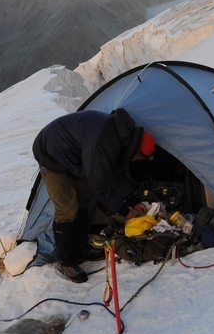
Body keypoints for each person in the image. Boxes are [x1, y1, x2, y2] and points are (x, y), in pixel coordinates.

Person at [32, 108, 156, 282]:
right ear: (136, 149)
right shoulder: (104, 143)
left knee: (84, 198)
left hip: (74, 156)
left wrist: (133, 201)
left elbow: (116, 174)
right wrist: (122, 210)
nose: (137, 161)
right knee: (67, 208)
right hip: (50, 153)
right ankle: (65, 260)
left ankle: (80, 248)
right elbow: (100, 186)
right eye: (139, 158)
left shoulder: (122, 141)